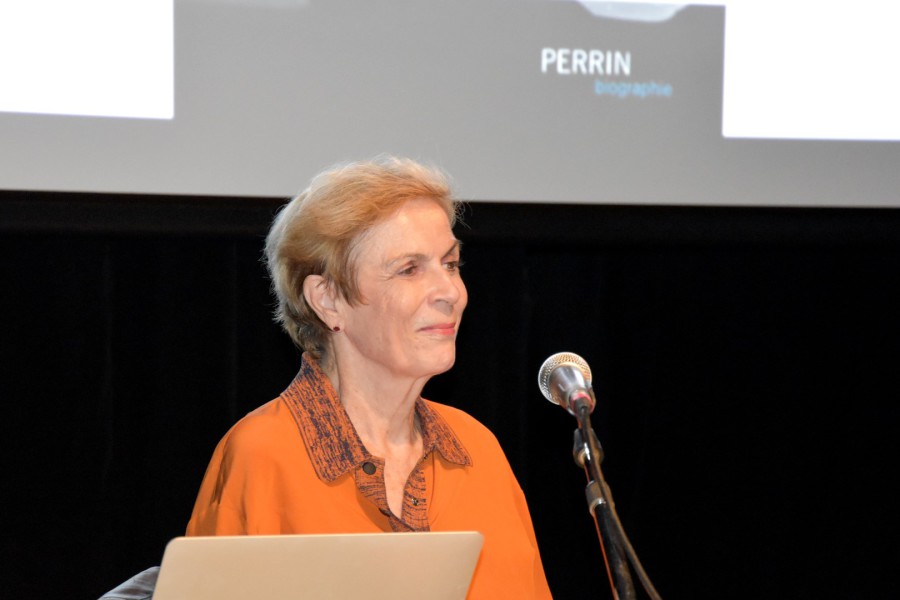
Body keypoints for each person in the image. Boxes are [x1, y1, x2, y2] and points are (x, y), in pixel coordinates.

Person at [185, 156, 553, 599]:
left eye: (451, 264)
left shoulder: (478, 451)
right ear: (328, 300)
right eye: (409, 269)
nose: (450, 292)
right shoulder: (262, 455)